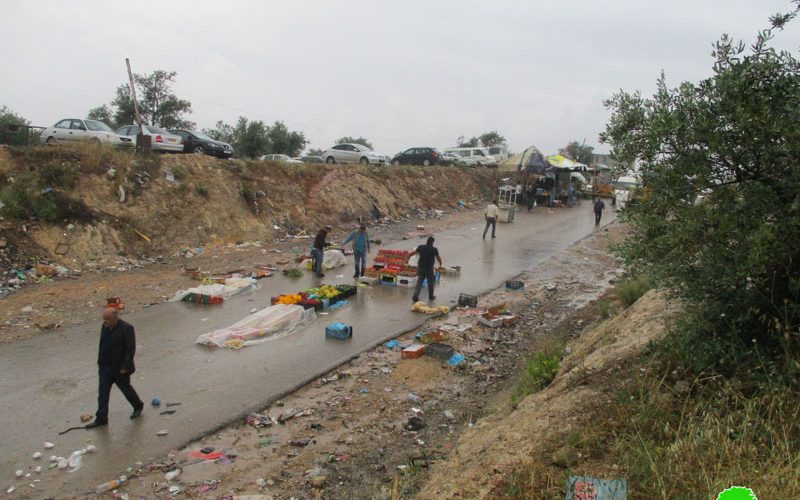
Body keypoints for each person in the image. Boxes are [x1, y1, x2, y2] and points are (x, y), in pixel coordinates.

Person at [86, 308, 144, 428]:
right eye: (104, 319)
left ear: (115, 317)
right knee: (103, 394)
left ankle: (138, 406)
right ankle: (101, 418)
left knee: (126, 389)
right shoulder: (105, 327)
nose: (105, 321)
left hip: (119, 368)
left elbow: (130, 349)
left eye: (108, 319)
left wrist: (125, 366)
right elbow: (102, 344)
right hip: (105, 367)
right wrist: (100, 362)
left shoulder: (126, 328)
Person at [407, 236, 443, 303]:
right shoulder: (434, 249)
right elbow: (438, 257)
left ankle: (415, 296)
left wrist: (408, 256)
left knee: (419, 282)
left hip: (421, 267)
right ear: (432, 242)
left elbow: (413, 253)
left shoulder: (421, 247)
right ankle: (431, 296)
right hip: (429, 269)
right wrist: (440, 263)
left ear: (427, 241)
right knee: (430, 283)